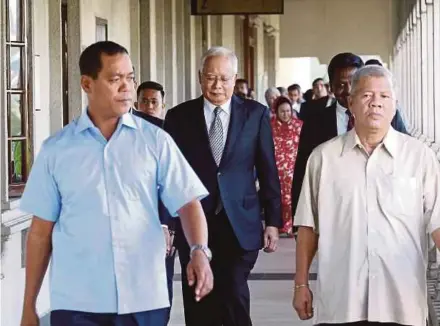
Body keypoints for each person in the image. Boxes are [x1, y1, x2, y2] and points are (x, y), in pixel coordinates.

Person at [19, 41, 213, 326]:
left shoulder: (155, 141)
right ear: (87, 83)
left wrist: (199, 251)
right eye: (115, 79)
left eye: (130, 77)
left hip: (143, 299)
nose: (127, 87)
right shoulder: (57, 150)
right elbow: (39, 233)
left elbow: (188, 202)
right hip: (77, 302)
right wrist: (29, 306)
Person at [293, 65, 440, 325]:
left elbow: (437, 222)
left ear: (395, 105)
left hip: (401, 301)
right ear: (350, 102)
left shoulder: (419, 157)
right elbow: (308, 226)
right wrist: (300, 284)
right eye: (366, 95)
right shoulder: (323, 158)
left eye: (384, 96)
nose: (376, 103)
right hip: (342, 302)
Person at [164, 46, 282, 326]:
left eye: (224, 78)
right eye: (210, 77)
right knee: (199, 298)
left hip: (240, 221)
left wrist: (273, 221)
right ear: (199, 77)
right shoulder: (179, 117)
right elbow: (167, 176)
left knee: (232, 292)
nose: (217, 85)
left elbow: (268, 170)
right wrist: (167, 224)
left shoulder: (256, 114)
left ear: (235, 78)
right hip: (194, 222)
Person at [291, 53, 408, 219]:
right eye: (340, 85)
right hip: (332, 213)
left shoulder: (386, 116)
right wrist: (299, 222)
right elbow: (303, 170)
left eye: (353, 83)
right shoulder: (315, 123)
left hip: (381, 211)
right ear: (330, 86)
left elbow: (405, 154)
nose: (347, 91)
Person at [132, 80, 177, 324]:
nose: (149, 106)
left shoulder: (169, 135)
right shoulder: (125, 133)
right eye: (145, 101)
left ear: (162, 105)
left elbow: (171, 183)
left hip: (163, 223)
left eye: (154, 102)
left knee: (161, 280)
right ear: (136, 103)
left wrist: (168, 225)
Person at [271, 96, 303, 237]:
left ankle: (292, 225)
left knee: (292, 196)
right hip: (276, 168)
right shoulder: (269, 126)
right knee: (279, 197)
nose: (286, 114)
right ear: (276, 112)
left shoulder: (299, 125)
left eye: (288, 111)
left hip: (294, 167)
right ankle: (280, 225)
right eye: (282, 111)